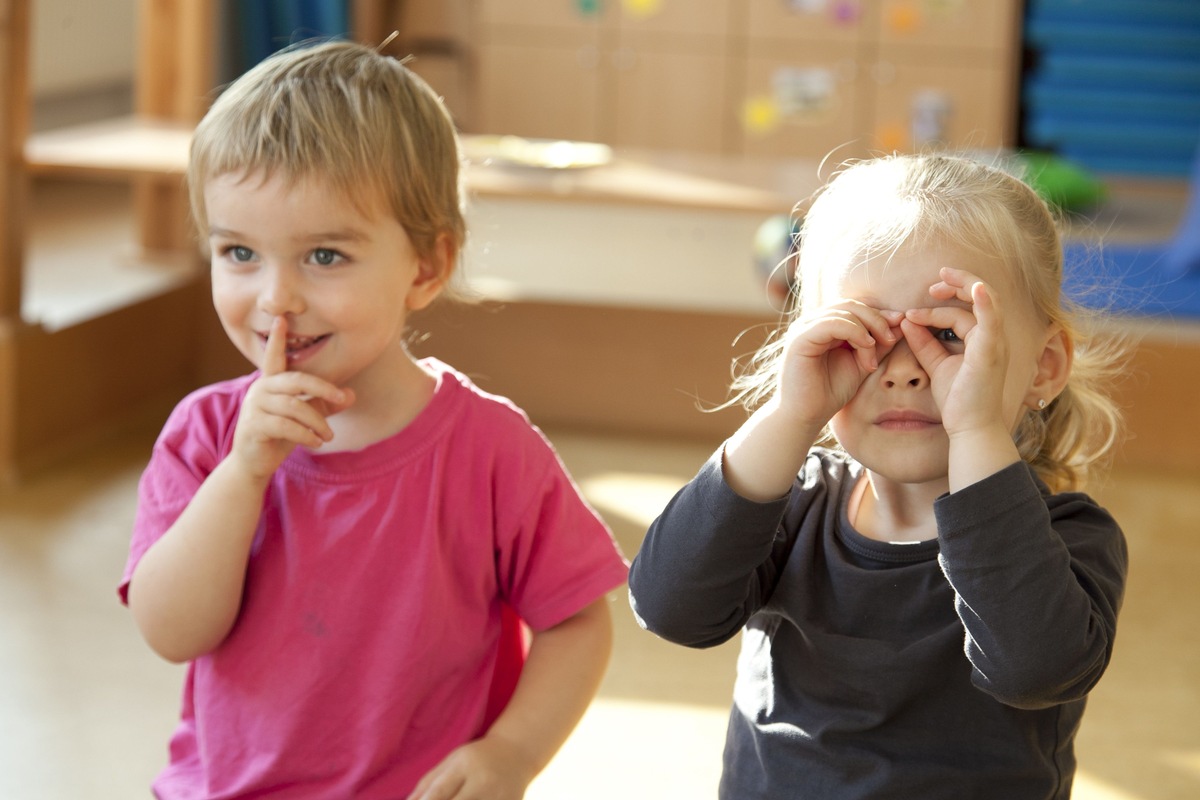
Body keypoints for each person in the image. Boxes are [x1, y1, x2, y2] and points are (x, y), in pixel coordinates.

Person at [119, 40, 628, 800]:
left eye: (324, 256)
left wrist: (512, 754)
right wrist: (244, 471)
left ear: (425, 268)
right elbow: (172, 632)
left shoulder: (491, 449)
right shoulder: (204, 435)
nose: (276, 299)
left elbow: (577, 623)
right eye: (240, 253)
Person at [628, 154, 1128, 799]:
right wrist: (791, 413)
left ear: (1043, 366)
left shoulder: (1072, 539)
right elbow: (672, 609)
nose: (903, 370)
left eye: (947, 335)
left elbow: (1033, 669)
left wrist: (975, 430)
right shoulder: (790, 502)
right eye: (862, 332)